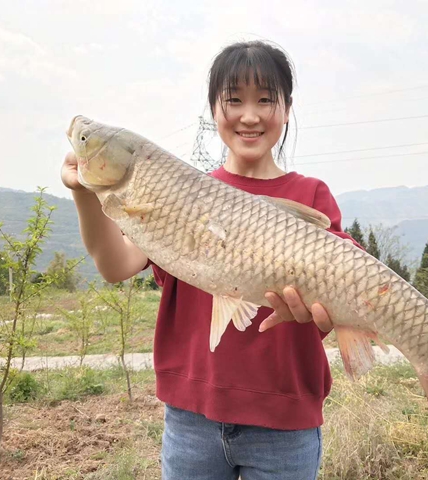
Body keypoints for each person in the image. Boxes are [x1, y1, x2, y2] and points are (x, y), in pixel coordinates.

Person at [61, 40, 359, 480]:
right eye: (234, 100)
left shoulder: (311, 195)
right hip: (191, 420)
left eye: (265, 100)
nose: (249, 115)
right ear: (214, 109)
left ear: (287, 109)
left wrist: (324, 313)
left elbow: (339, 300)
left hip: (285, 424)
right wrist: (84, 193)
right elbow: (114, 265)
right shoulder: (177, 192)